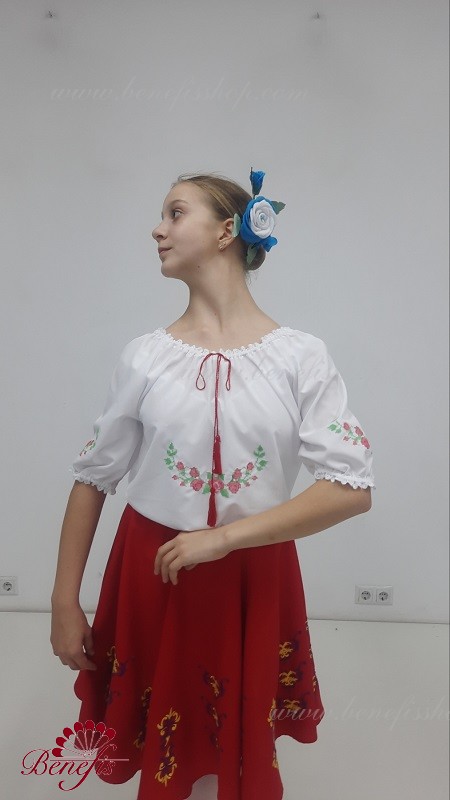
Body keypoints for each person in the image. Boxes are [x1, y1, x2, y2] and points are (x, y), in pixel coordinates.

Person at [50, 168, 375, 800]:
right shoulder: (145, 356)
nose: (157, 229)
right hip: (151, 571)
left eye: (175, 213)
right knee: (170, 741)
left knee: (234, 741)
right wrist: (65, 602)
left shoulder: (300, 356)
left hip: (253, 573)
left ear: (228, 230)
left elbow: (351, 486)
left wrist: (224, 539)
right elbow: (92, 477)